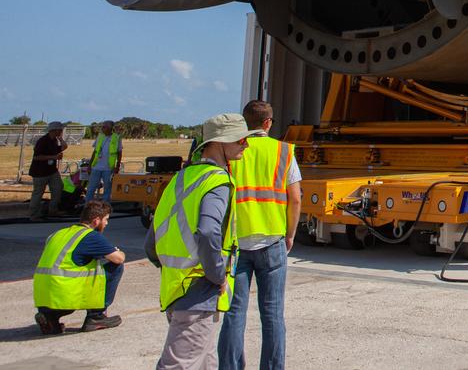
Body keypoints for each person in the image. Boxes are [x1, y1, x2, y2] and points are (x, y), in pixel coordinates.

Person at [147, 113, 250, 370]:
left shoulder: (179, 179)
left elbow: (151, 243)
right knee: (179, 364)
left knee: (205, 361)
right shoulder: (217, 182)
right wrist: (217, 275)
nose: (245, 146)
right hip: (199, 290)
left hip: (176, 287)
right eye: (239, 140)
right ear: (219, 143)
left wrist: (173, 267)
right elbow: (207, 232)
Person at [218, 100, 302, 370]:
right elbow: (296, 199)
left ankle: (229, 366)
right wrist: (290, 234)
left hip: (236, 242)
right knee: (273, 314)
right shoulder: (283, 151)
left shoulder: (232, 152)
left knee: (233, 313)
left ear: (245, 123)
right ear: (268, 123)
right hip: (272, 240)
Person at [33, 199, 126, 334]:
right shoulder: (90, 236)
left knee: (84, 269)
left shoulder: (58, 233)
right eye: (105, 219)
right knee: (116, 267)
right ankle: (96, 316)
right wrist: (118, 250)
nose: (106, 223)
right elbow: (119, 258)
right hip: (66, 294)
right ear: (96, 221)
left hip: (44, 297)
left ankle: (49, 316)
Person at [28, 120, 66, 220]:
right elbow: (37, 157)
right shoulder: (42, 141)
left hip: (52, 171)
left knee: (58, 187)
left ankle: (53, 210)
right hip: (40, 172)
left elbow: (64, 147)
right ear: (54, 130)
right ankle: (34, 214)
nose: (62, 131)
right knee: (38, 192)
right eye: (60, 129)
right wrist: (54, 157)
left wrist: (61, 140)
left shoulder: (54, 140)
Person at [86, 120, 123, 202]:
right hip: (96, 167)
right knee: (91, 188)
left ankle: (105, 208)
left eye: (104, 127)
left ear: (110, 128)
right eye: (102, 126)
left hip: (108, 168)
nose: (102, 128)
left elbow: (119, 153)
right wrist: (89, 166)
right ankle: (87, 207)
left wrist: (117, 166)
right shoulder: (100, 136)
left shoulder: (116, 138)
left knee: (107, 189)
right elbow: (95, 151)